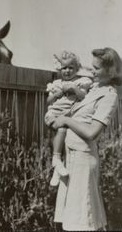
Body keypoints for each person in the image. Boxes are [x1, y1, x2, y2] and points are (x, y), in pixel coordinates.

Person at [51, 47, 122, 231]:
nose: (92, 71)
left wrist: (65, 120)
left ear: (110, 70)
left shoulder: (109, 95)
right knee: (72, 219)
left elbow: (93, 132)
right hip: (70, 157)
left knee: (83, 221)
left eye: (97, 68)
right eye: (92, 67)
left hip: (83, 161)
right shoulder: (92, 88)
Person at [45, 51, 93, 186]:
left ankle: (57, 169)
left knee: (69, 142)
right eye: (64, 68)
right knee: (61, 130)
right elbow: (48, 100)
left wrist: (73, 88)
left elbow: (83, 96)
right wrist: (57, 94)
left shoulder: (80, 82)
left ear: (77, 69)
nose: (67, 70)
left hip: (70, 117)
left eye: (71, 67)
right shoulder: (56, 83)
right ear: (59, 69)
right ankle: (55, 158)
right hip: (54, 115)